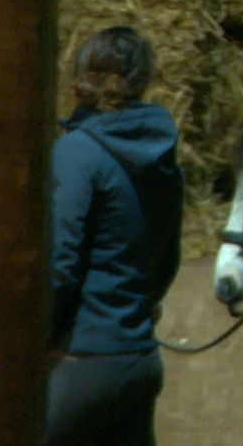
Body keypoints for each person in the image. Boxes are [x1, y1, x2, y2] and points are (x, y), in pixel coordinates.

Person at [45, 26, 184, 445]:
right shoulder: (163, 159)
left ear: (79, 78)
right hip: (140, 359)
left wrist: (35, 342)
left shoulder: (76, 153)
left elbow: (60, 265)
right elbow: (168, 259)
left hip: (82, 362)